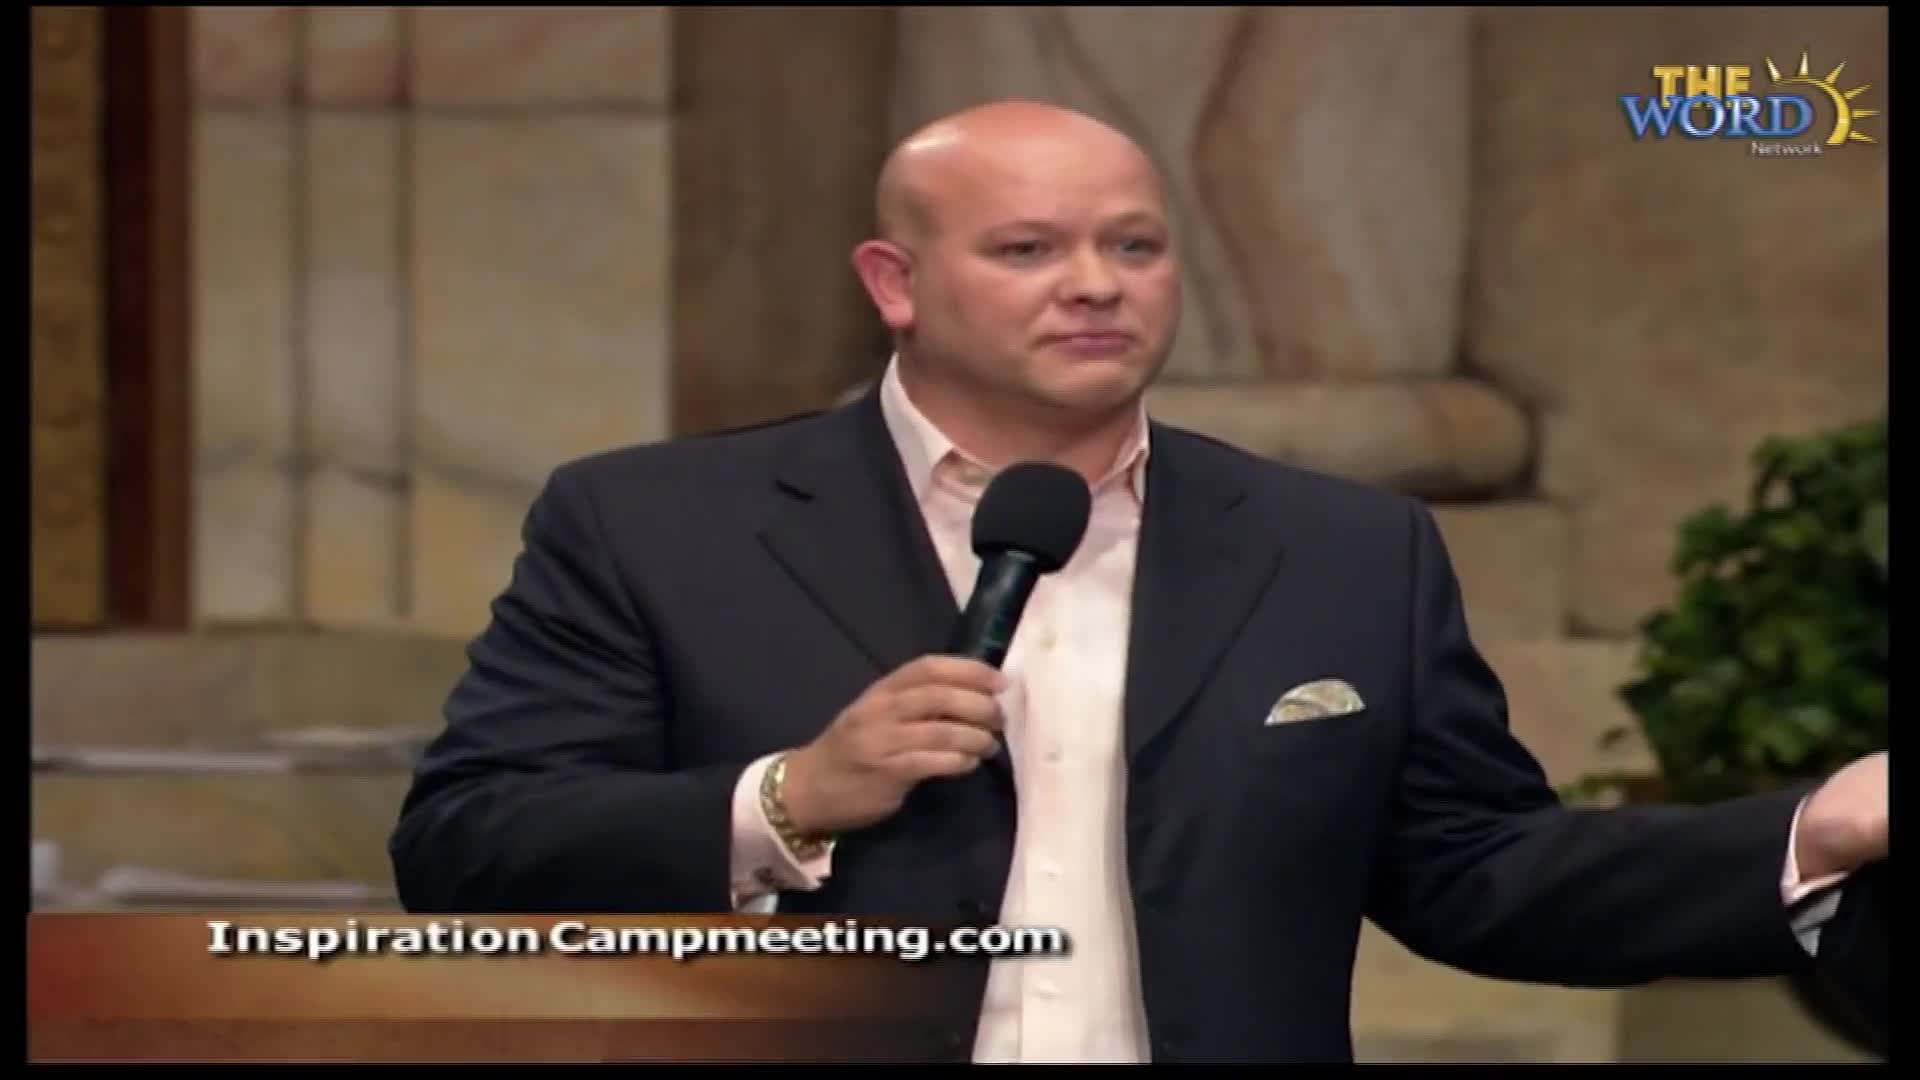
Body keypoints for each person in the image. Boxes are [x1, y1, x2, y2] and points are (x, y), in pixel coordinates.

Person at [388, 100, 1890, 1063]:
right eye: (1031, 247)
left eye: (1135, 245)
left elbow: (1478, 876)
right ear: (895, 285)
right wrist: (783, 801)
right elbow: (468, 845)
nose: (1096, 284)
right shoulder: (653, 525)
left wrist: (1811, 834)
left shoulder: (1342, 549)